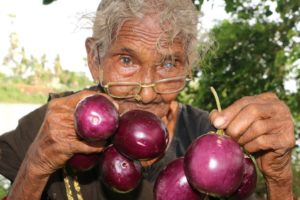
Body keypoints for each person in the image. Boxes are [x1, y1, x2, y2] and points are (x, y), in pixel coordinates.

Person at [0, 0, 296, 199]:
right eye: (127, 59)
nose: (147, 92)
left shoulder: (216, 144)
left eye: (169, 64)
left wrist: (279, 178)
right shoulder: (53, 128)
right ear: (95, 58)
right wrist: (36, 165)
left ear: (188, 67)